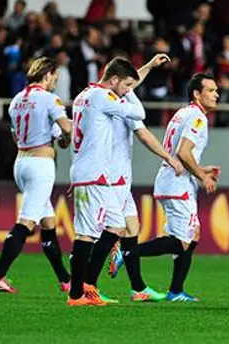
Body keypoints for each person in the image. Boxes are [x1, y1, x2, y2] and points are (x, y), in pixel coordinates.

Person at [114, 72, 220, 302]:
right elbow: (183, 152)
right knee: (183, 241)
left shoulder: (183, 113)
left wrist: (200, 169)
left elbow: (179, 153)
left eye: (216, 90)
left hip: (171, 179)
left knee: (190, 237)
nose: (216, 94)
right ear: (196, 94)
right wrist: (202, 175)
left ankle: (175, 291)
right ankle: (128, 251)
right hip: (177, 182)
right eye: (210, 90)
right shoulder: (198, 118)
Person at [103, 54, 185, 303]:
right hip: (110, 177)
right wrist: (169, 157)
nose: (131, 88)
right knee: (103, 233)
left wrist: (149, 66)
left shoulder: (116, 96)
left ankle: (138, 288)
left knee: (132, 229)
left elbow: (130, 82)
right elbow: (144, 135)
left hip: (120, 178)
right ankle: (84, 285)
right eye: (128, 85)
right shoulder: (118, 102)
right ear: (117, 81)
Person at [0, 57, 73, 294]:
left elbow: (20, 136)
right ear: (47, 75)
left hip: (21, 162)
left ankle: (66, 280)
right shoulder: (49, 99)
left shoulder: (17, 100)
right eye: (55, 76)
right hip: (40, 165)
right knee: (26, 223)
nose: (56, 81)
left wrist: (63, 138)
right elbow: (67, 130)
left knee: (48, 223)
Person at [67, 57, 146, 306]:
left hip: (91, 173)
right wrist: (130, 94)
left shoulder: (83, 95)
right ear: (113, 80)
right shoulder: (104, 97)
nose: (126, 91)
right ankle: (76, 294)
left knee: (116, 226)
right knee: (85, 235)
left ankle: (87, 285)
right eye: (125, 86)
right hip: (91, 174)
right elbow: (139, 113)